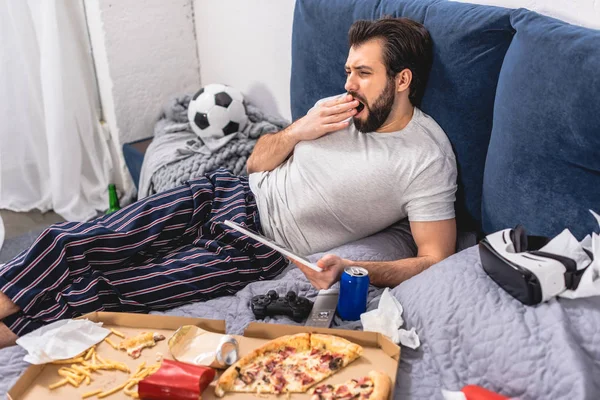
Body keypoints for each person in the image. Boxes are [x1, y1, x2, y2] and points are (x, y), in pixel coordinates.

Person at [0, 16, 456, 348]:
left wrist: (356, 268)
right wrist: (300, 129)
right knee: (73, 241)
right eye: (347, 71)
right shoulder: (334, 108)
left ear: (402, 80)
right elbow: (257, 162)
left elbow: (434, 257)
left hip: (258, 248)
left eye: (363, 73)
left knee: (117, 290)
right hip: (224, 193)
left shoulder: (425, 158)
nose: (348, 84)